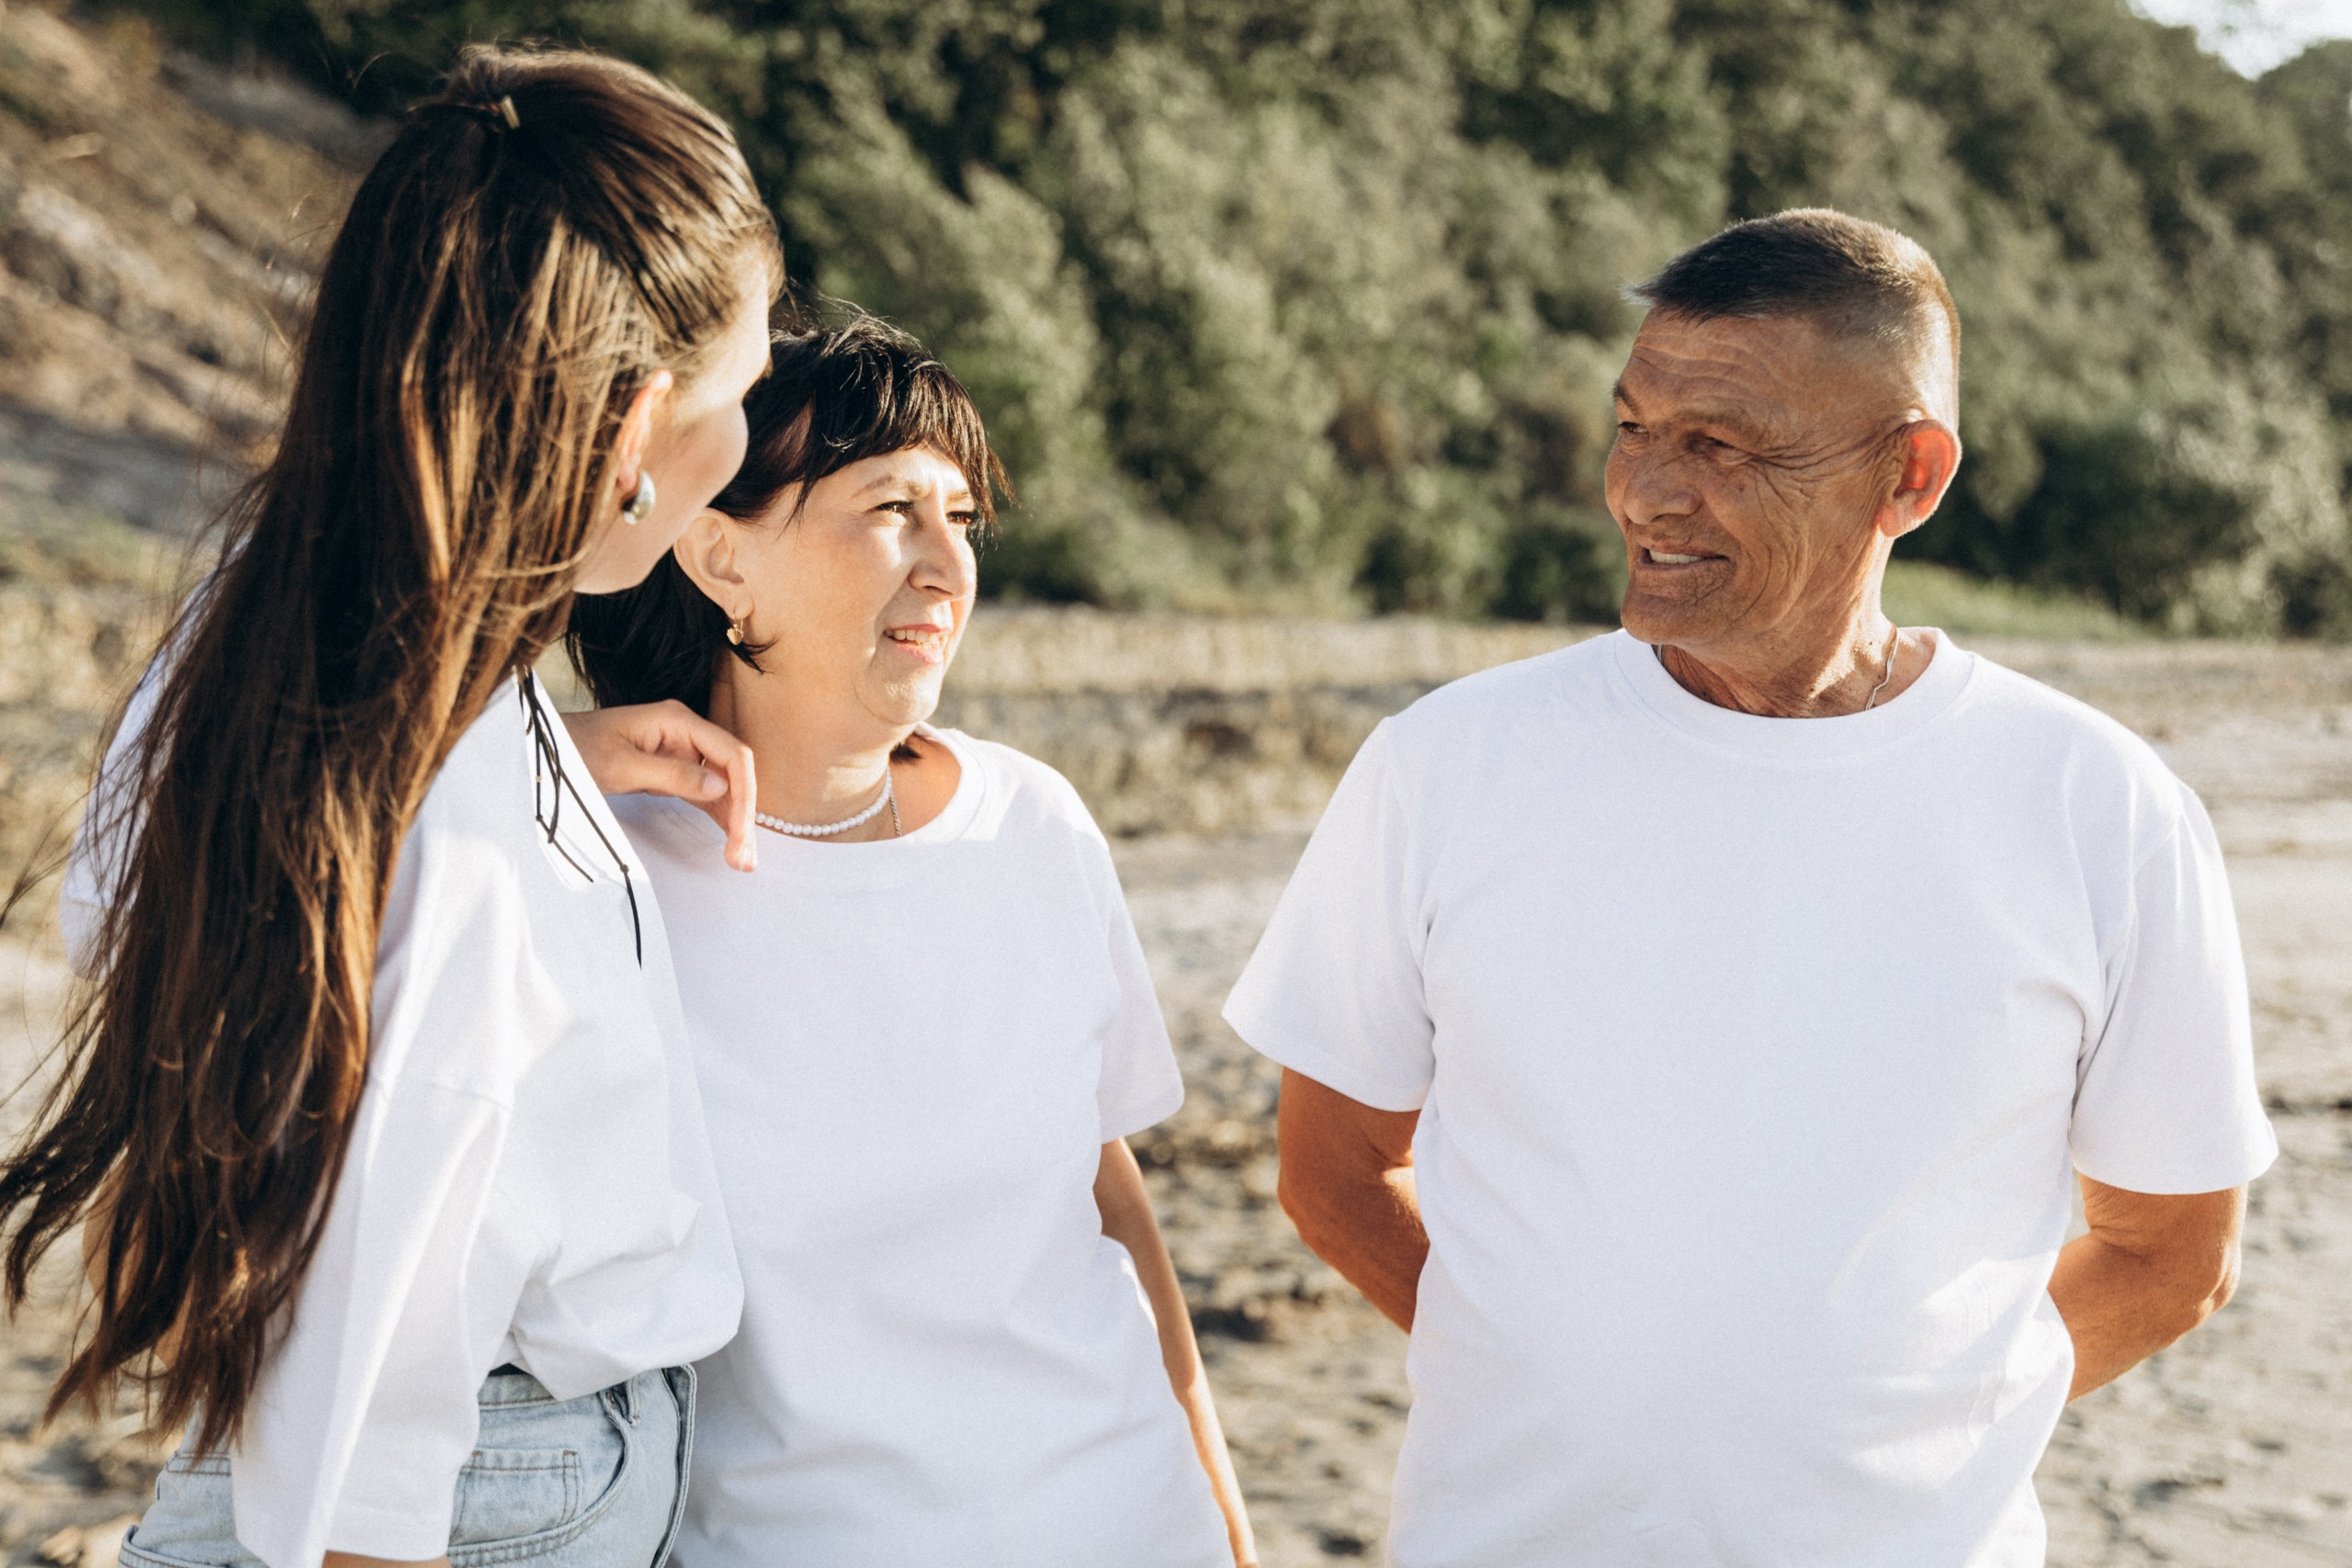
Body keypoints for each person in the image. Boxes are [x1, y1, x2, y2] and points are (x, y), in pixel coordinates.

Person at [1224, 209, 2277, 1566]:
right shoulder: (1446, 764)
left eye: (1720, 446)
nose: (1646, 492)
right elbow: (1333, 1170)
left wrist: (1910, 1436)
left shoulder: (2100, 808)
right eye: (1633, 427)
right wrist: (1551, 1389)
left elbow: (2175, 1250)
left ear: (1910, 475)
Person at [0, 49, 779, 1568]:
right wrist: (510, 831)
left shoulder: (275, 633)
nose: (742, 452)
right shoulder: (462, 834)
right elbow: (365, 1433)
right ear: (630, 434)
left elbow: (128, 899)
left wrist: (550, 758)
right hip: (479, 1500)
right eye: (740, 395)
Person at [565, 315, 1257, 1568]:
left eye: (964, 520)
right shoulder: (596, 867)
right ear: (720, 555)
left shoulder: (1032, 824)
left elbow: (1106, 1207)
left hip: (1131, 1528)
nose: (947, 565)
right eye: (891, 508)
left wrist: (1226, 1523)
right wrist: (540, 767)